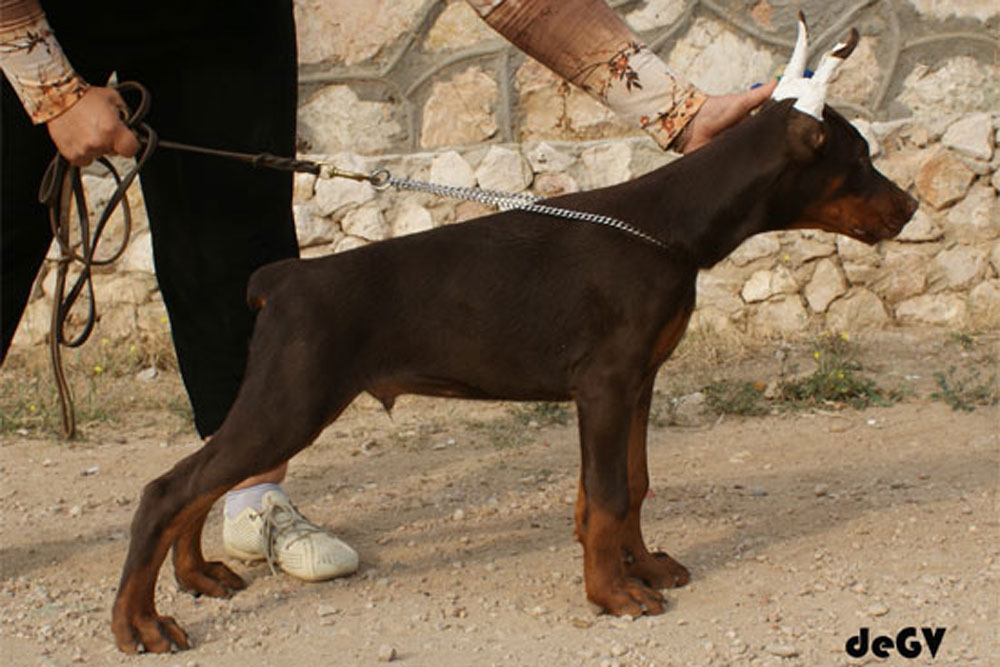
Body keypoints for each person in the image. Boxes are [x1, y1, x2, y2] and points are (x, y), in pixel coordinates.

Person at [1, 0, 774, 582]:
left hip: (221, 19)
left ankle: (251, 497)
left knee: (234, 244)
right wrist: (52, 90)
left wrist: (677, 108)